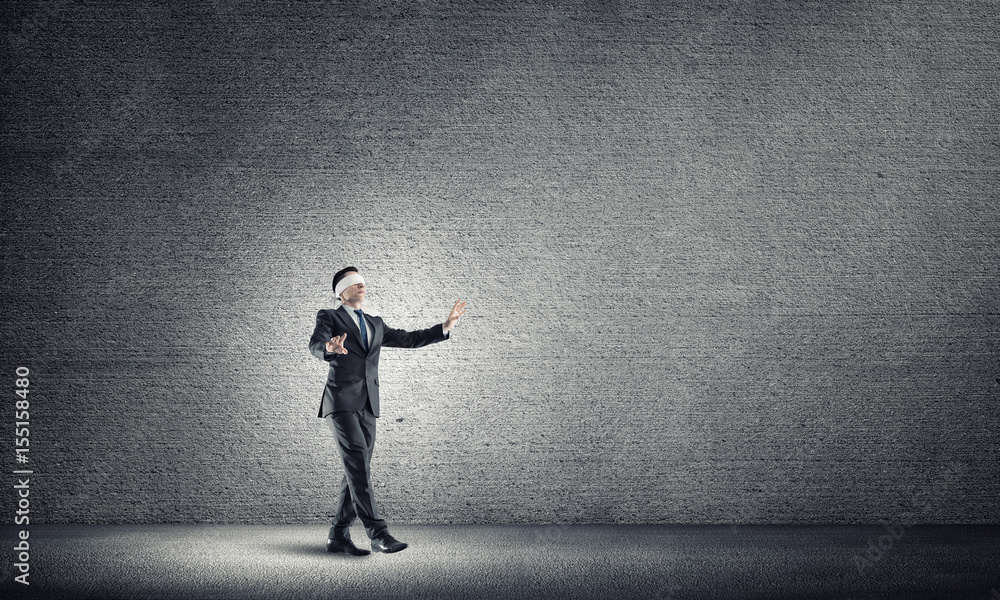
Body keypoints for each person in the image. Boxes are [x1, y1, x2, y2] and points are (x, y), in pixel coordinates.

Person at [309, 266, 466, 555]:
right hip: (340, 402)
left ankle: (338, 536)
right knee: (357, 462)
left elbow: (408, 339)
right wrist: (330, 349)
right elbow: (316, 344)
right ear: (340, 292)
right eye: (353, 283)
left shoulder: (376, 323)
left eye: (362, 282)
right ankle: (378, 533)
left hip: (369, 405)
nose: (361, 286)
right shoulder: (329, 316)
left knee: (357, 469)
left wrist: (444, 327)